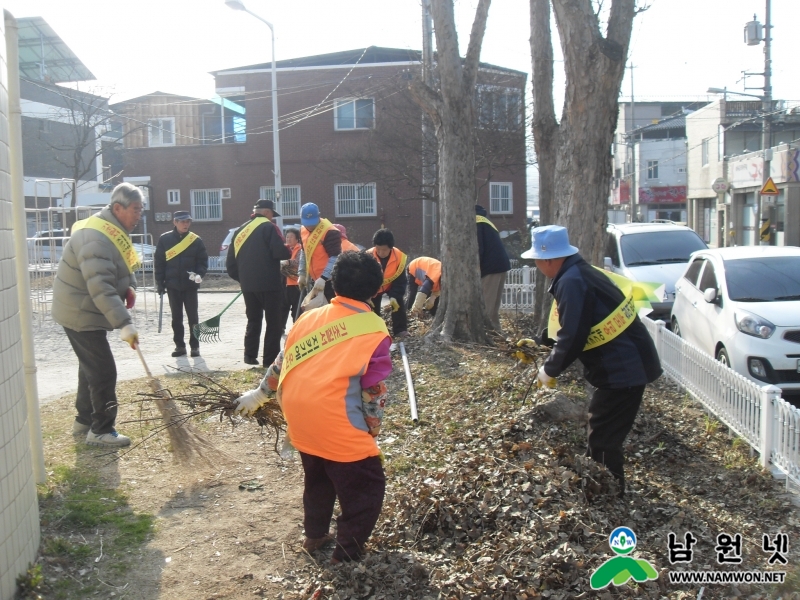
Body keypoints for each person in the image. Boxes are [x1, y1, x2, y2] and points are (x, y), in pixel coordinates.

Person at [234, 251, 392, 563]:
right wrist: (371, 430)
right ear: (376, 290)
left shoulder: (308, 318)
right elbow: (374, 390)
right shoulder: (374, 329)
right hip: (338, 425)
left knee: (318, 478)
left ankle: (315, 535)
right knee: (366, 487)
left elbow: (280, 365)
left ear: (334, 283)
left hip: (301, 423)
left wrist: (257, 395)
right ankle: (346, 551)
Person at [521, 225, 662, 496]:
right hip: (624, 365)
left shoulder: (572, 281)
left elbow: (574, 334)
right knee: (601, 430)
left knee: (604, 436)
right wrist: (540, 344)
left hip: (623, 369)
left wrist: (549, 369)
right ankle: (598, 484)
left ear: (549, 259)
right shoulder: (576, 273)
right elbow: (577, 322)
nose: (537, 266)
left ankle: (609, 494)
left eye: (537, 260)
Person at [51, 182, 144, 447]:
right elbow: (100, 286)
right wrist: (124, 324)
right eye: (136, 210)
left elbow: (125, 265)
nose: (139, 216)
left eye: (141, 210)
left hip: (86, 307)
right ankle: (101, 430)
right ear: (118, 208)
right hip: (79, 310)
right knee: (103, 370)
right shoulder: (96, 237)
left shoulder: (113, 230)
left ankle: (84, 420)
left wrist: (130, 288)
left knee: (90, 366)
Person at [226, 199, 291, 366]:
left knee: (253, 320)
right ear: (268, 212)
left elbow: (231, 265)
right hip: (270, 285)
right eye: (272, 215)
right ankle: (269, 361)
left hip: (248, 286)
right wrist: (288, 249)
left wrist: (244, 280)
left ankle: (249, 356)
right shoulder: (269, 227)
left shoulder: (239, 231)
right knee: (273, 323)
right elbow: (281, 252)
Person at [154, 210, 208, 358]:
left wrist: (199, 275)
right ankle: (179, 346)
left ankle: (195, 346)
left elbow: (202, 261)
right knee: (176, 317)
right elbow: (159, 263)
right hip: (172, 285)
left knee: (193, 317)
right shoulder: (165, 239)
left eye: (188, 221)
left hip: (190, 285)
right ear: (175, 222)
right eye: (182, 221)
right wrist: (160, 283)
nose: (186, 224)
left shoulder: (196, 240)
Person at [366, 228, 408, 338]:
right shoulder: (368, 256)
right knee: (370, 308)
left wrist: (394, 295)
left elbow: (401, 280)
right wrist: (368, 295)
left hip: (391, 286)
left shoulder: (399, 257)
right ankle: (373, 331)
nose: (380, 252)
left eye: (384, 250)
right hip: (373, 288)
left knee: (398, 304)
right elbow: (364, 279)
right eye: (378, 249)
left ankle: (400, 330)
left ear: (391, 247)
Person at [475, 204, 511, 332]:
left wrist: (476, 272)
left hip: (490, 268)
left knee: (487, 307)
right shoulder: (485, 220)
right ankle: (496, 333)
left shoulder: (476, 222)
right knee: (494, 307)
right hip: (501, 265)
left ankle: (488, 333)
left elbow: (478, 250)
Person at [297, 203, 341, 303]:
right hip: (313, 280)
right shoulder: (302, 230)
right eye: (307, 223)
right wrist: (302, 274)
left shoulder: (330, 232)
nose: (310, 226)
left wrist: (323, 278)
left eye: (312, 222)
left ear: (319, 215)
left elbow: (335, 257)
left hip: (330, 281)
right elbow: (304, 253)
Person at [280, 227, 302, 325]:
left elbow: (298, 262)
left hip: (295, 284)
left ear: (297, 239)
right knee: (282, 307)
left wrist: (287, 262)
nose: (288, 239)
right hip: (285, 283)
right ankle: (280, 328)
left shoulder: (300, 249)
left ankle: (296, 328)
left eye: (291, 237)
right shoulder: (284, 249)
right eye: (287, 236)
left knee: (296, 308)